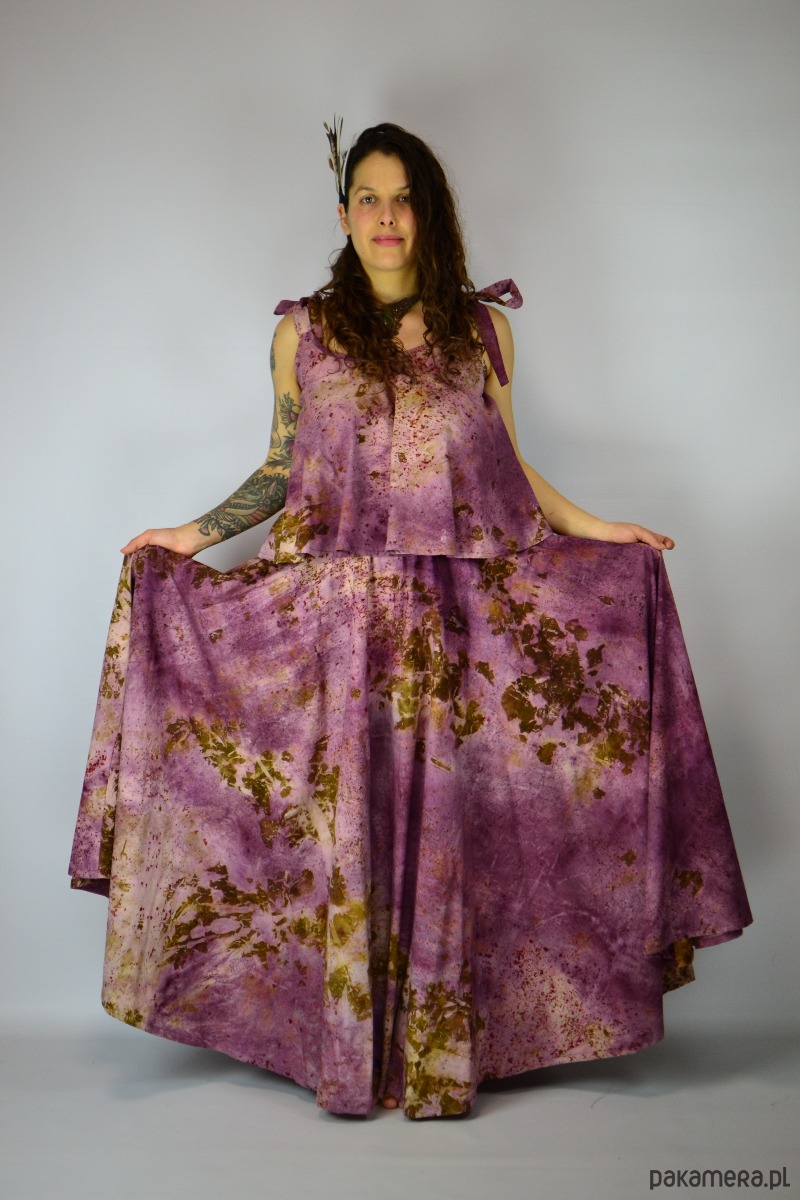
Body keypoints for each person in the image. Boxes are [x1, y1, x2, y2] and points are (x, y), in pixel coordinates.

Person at [69, 120, 753, 1120]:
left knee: (459, 837)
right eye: (369, 198)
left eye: (403, 198)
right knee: (337, 835)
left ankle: (439, 1053)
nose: (386, 217)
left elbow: (508, 465)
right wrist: (188, 534)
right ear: (344, 213)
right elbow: (280, 470)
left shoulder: (483, 330)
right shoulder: (302, 334)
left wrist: (602, 531)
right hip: (337, 634)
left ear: (427, 212)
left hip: (458, 631)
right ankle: (348, 1050)